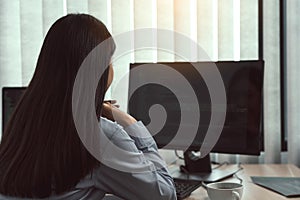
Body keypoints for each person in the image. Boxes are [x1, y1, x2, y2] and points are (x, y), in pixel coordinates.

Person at [0, 14, 176, 200]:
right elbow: (164, 194)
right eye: (110, 61)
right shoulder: (100, 136)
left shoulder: (23, 123)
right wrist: (130, 123)